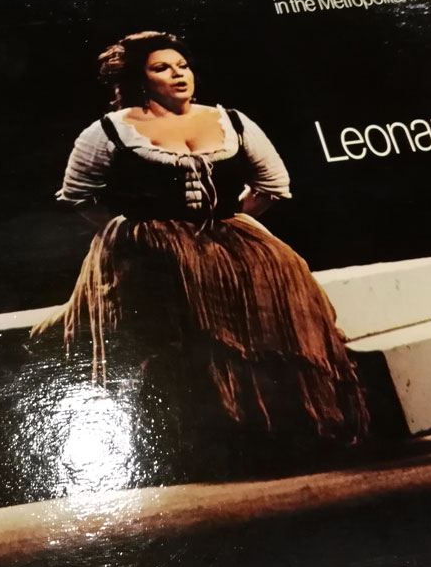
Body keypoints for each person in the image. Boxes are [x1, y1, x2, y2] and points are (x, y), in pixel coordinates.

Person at [33, 31, 369, 481]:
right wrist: (130, 231)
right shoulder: (109, 130)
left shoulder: (230, 121)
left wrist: (226, 222)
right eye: (161, 68)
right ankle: (212, 444)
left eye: (183, 66)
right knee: (179, 292)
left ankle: (279, 433)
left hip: (226, 231)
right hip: (149, 243)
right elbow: (78, 195)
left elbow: (272, 184)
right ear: (139, 80)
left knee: (281, 270)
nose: (178, 75)